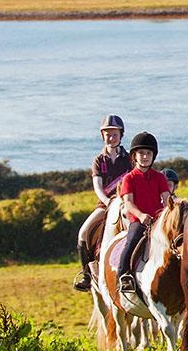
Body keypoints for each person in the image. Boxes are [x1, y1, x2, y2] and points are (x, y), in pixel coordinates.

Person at [73, 114, 132, 292]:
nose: (111, 138)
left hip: (126, 204)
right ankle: (86, 275)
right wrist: (107, 202)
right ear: (103, 136)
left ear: (121, 135)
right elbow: (97, 186)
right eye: (107, 134)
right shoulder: (98, 161)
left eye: (114, 134)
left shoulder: (129, 159)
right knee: (83, 233)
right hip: (105, 206)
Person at [117, 132, 171, 293]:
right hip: (138, 221)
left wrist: (171, 211)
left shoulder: (160, 177)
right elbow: (128, 202)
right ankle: (123, 275)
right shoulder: (129, 178)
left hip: (157, 222)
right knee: (131, 241)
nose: (145, 156)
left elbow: (167, 199)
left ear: (153, 156)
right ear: (134, 156)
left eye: (148, 153)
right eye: (141, 153)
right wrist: (140, 216)